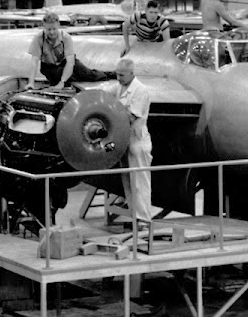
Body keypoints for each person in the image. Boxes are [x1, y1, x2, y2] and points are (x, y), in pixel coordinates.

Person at [105, 58, 153, 223]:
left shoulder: (140, 90)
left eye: (122, 75)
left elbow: (130, 117)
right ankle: (135, 218)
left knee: (140, 184)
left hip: (137, 143)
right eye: (117, 75)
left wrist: (112, 109)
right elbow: (103, 94)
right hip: (124, 142)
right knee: (128, 185)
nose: (119, 78)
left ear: (132, 74)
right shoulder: (119, 87)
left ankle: (144, 220)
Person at [26, 12, 112, 90]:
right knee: (58, 77)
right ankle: (66, 79)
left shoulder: (66, 38)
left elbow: (70, 63)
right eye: (49, 30)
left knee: (88, 75)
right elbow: (34, 62)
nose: (52, 32)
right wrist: (31, 83)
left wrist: (62, 82)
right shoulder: (38, 38)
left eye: (54, 29)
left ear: (58, 25)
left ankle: (111, 74)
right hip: (50, 67)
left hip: (66, 62)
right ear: (44, 26)